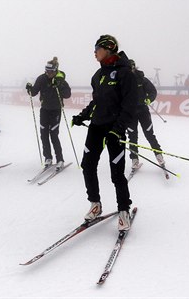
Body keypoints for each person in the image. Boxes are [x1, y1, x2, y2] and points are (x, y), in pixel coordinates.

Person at [71, 35, 137, 231]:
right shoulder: (98, 75)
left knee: (117, 173)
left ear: (108, 49)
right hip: (96, 128)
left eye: (97, 48)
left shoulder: (125, 74)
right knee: (87, 165)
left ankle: (123, 210)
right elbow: (96, 101)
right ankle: (95, 204)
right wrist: (82, 116)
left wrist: (118, 129)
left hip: (114, 130)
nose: (94, 52)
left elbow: (130, 106)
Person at [25, 57, 71, 170]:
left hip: (56, 110)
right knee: (44, 134)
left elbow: (67, 94)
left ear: (55, 71)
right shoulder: (42, 78)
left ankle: (60, 159)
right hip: (44, 110)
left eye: (50, 71)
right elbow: (34, 92)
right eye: (46, 71)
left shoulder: (60, 79)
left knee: (54, 134)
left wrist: (59, 86)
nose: (48, 73)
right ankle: (48, 158)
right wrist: (29, 89)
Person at [127, 59, 165, 172]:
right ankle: (134, 159)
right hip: (130, 113)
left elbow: (153, 91)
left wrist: (148, 99)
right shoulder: (123, 81)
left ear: (134, 67)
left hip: (143, 111)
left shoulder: (142, 79)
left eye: (131, 67)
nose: (130, 70)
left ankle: (159, 155)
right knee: (132, 137)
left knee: (149, 134)